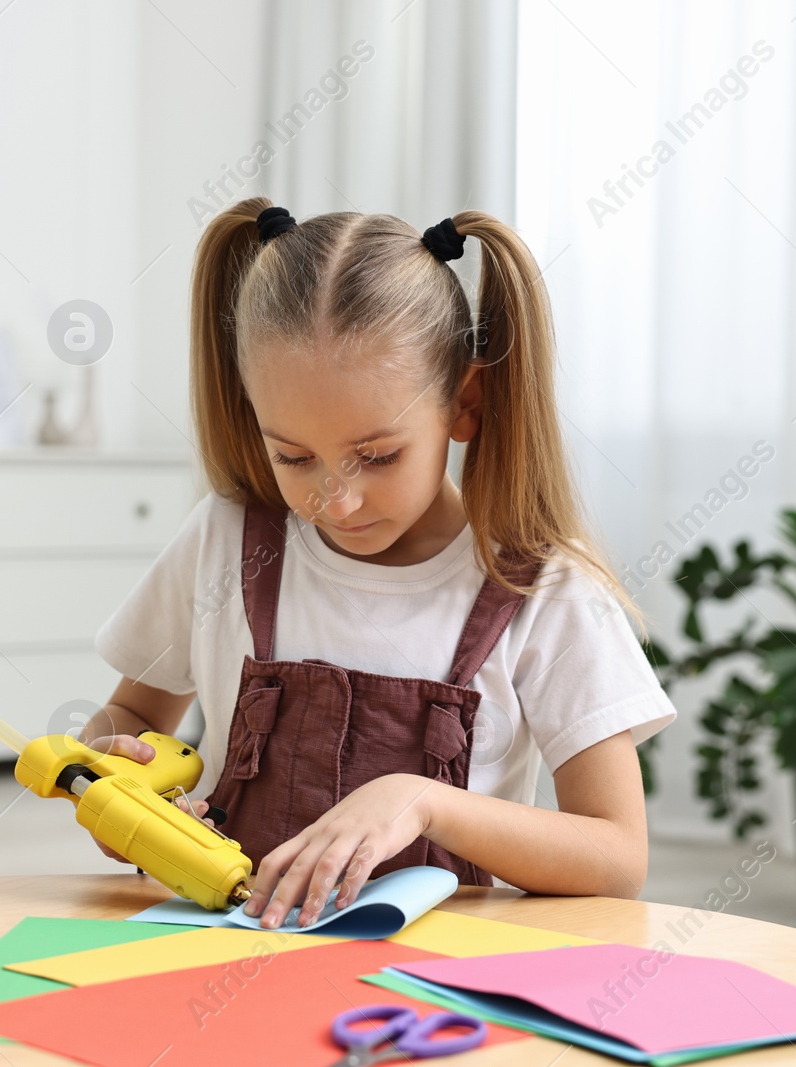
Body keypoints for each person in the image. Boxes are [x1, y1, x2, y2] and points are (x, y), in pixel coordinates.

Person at [78, 199, 675, 930]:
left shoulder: (543, 589)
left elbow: (617, 856)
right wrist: (110, 773)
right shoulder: (227, 540)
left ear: (465, 403)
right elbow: (133, 712)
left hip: (431, 986)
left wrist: (421, 800)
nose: (338, 497)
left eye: (378, 455)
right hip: (226, 957)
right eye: (294, 456)